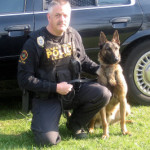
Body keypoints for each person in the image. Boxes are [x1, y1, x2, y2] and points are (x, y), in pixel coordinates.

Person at [17, 0, 111, 146]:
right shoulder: (35, 42)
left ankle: (75, 123)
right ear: (49, 17)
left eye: (66, 15)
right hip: (47, 97)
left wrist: (101, 70)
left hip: (73, 91)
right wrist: (55, 88)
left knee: (103, 93)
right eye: (58, 15)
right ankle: (44, 125)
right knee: (47, 140)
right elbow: (24, 78)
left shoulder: (73, 35)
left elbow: (84, 60)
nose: (62, 19)